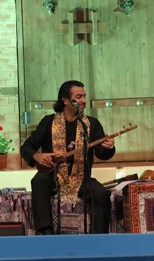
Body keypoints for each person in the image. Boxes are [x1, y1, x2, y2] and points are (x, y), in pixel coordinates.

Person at [20, 80, 116, 235]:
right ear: (65, 100)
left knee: (101, 193)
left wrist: (109, 147)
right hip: (53, 175)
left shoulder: (91, 124)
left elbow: (102, 154)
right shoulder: (48, 122)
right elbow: (26, 147)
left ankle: (98, 238)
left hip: (81, 178)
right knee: (39, 180)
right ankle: (46, 232)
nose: (83, 100)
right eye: (78, 97)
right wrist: (36, 155)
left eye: (84, 96)